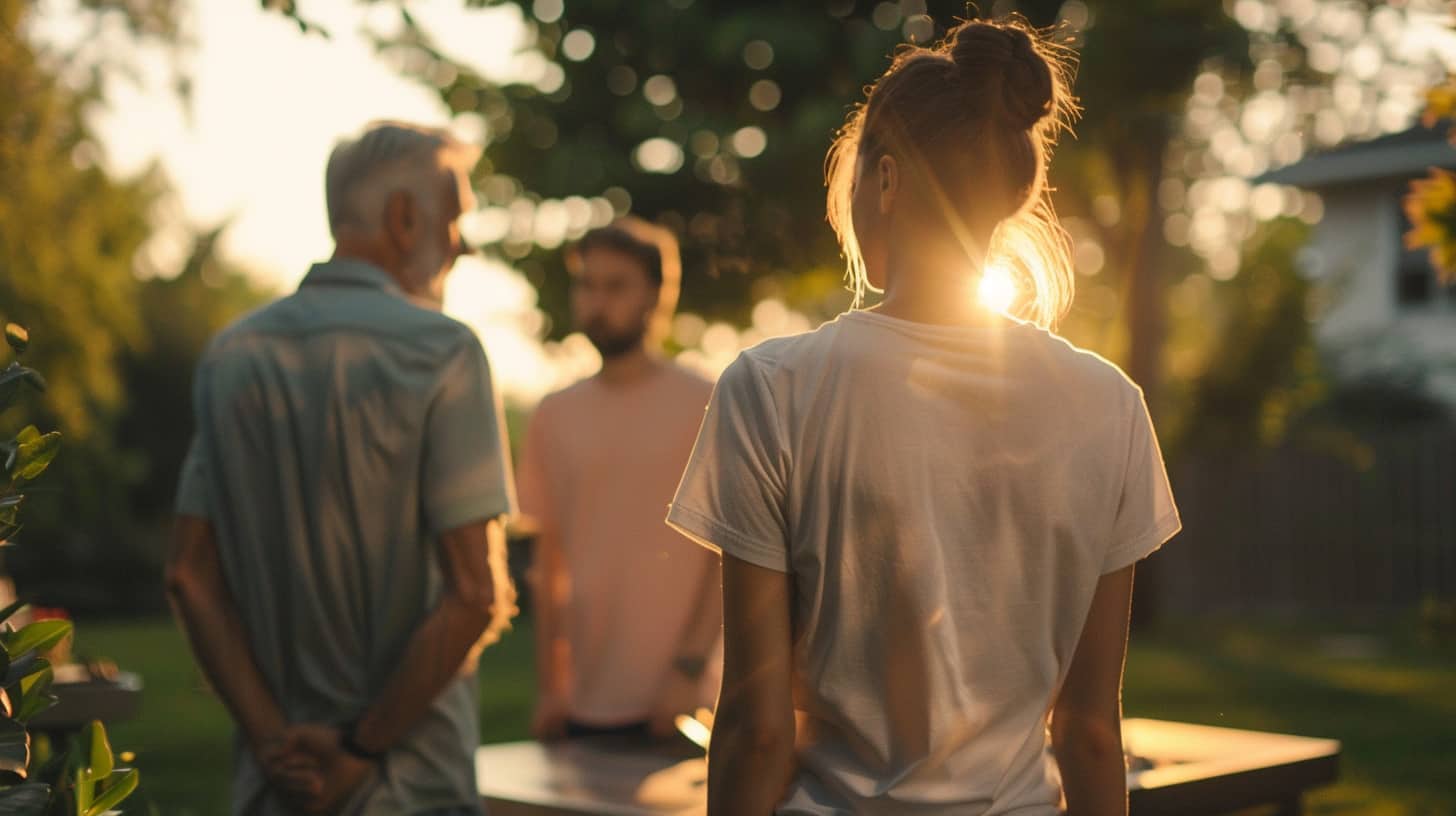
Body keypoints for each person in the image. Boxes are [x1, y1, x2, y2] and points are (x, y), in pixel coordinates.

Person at [668, 17, 1181, 816]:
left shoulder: (772, 388)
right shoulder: (1109, 403)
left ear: (887, 180)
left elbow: (756, 728)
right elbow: (1087, 729)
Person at [165, 121, 517, 816]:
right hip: (410, 790)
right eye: (456, 218)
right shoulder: (444, 353)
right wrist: (359, 751)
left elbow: (188, 575)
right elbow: (476, 593)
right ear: (404, 216)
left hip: (277, 789)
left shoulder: (233, 355)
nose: (462, 243)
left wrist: (274, 744)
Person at [519, 217, 721, 743]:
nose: (596, 301)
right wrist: (549, 685)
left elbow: (732, 548)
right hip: (584, 702)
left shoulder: (707, 400)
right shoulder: (553, 414)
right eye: (587, 285)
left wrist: (688, 671)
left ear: (656, 296)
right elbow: (549, 561)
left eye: (616, 286)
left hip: (683, 705)